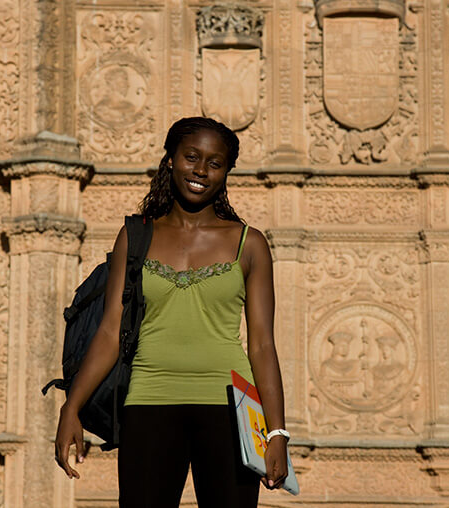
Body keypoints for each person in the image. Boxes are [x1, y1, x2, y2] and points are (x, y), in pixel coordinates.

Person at [54, 117, 289, 507]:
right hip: (148, 403)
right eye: (191, 157)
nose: (201, 170)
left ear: (227, 172)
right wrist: (71, 407)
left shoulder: (250, 244)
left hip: (231, 409)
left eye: (215, 163)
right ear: (170, 161)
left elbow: (263, 345)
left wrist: (278, 433)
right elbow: (111, 331)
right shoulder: (136, 235)